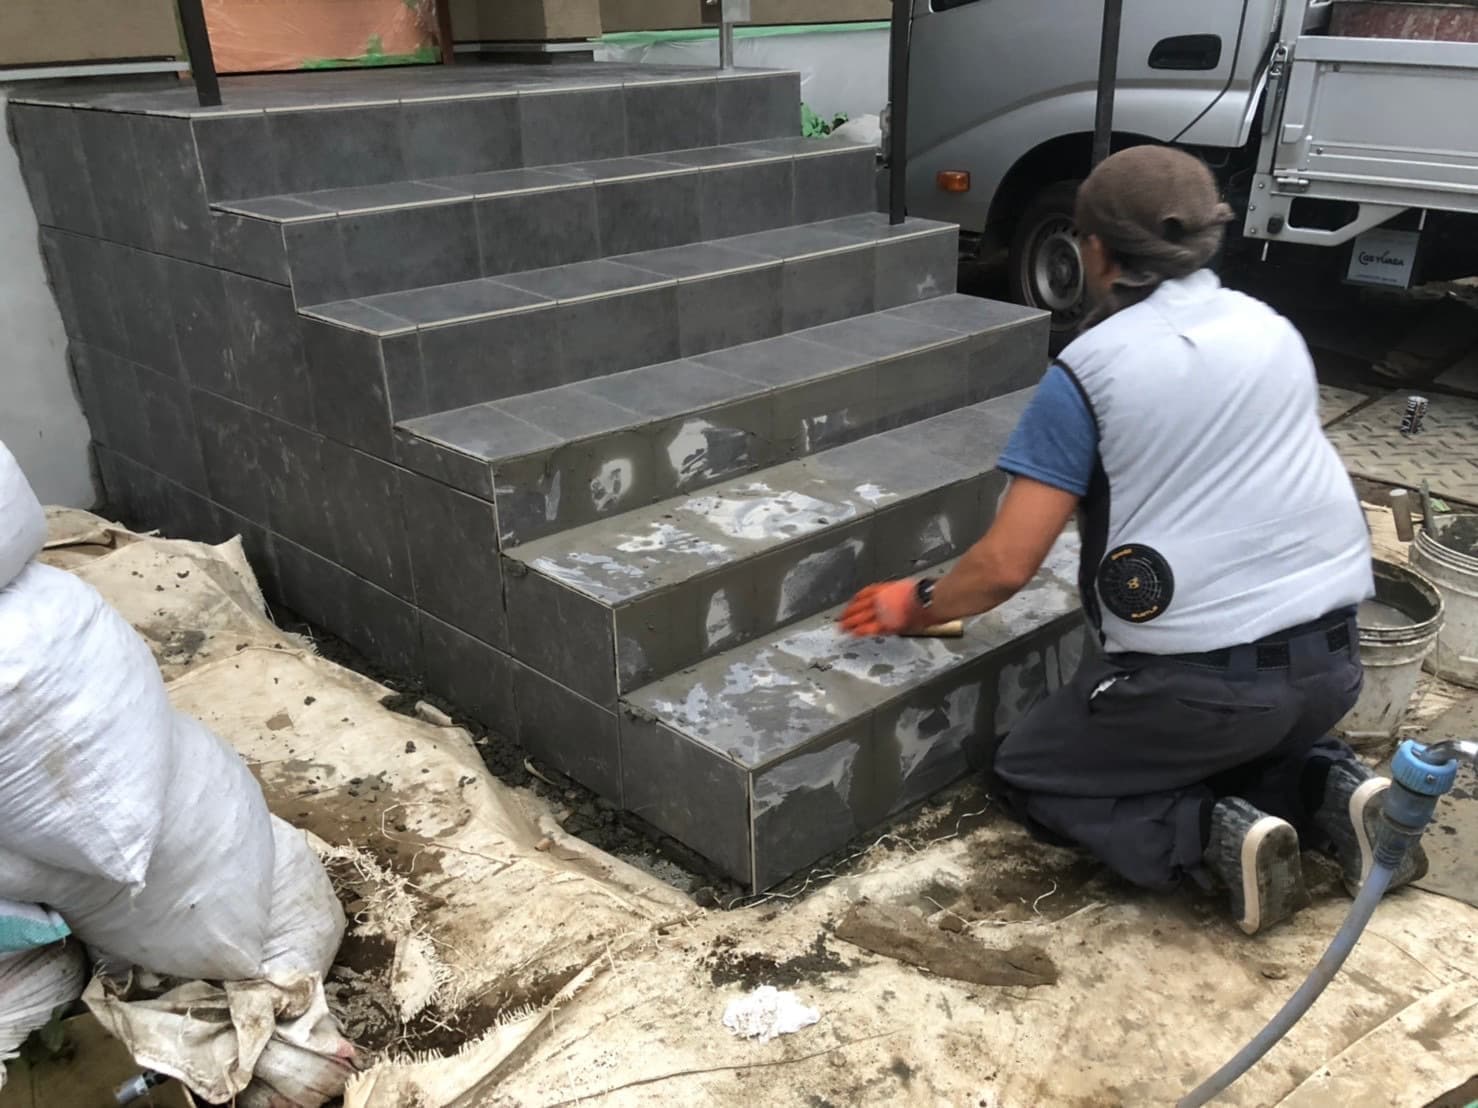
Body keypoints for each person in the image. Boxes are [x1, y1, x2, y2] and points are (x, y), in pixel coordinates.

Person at [841, 145, 1425, 935]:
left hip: (1205, 688)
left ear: (1097, 251)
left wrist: (913, 603)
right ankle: (1331, 789)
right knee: (1239, 738)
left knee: (1034, 773)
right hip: (1335, 664)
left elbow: (1007, 565)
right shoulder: (1271, 329)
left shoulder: (1090, 372)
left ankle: (1211, 842)